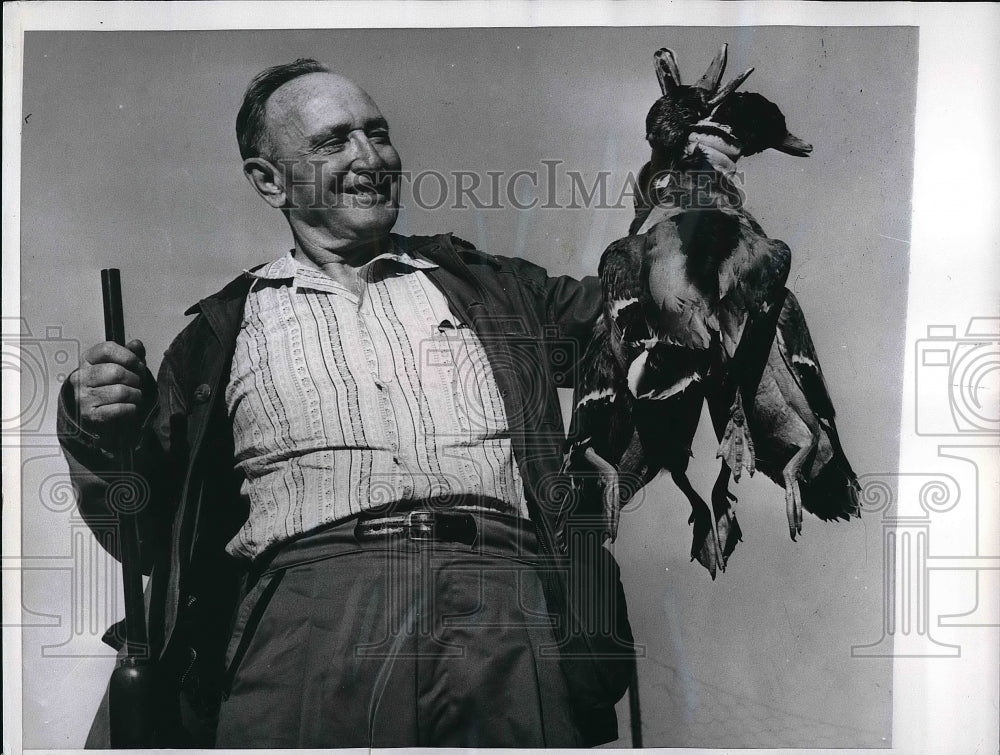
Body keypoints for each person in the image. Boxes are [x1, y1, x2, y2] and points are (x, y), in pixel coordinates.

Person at [58, 58, 632, 748]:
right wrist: (93, 427)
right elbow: (146, 536)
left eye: (378, 132)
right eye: (333, 141)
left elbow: (647, 310)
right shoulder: (216, 336)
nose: (371, 157)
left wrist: (692, 187)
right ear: (268, 180)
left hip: (507, 614)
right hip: (306, 627)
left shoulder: (502, 290)